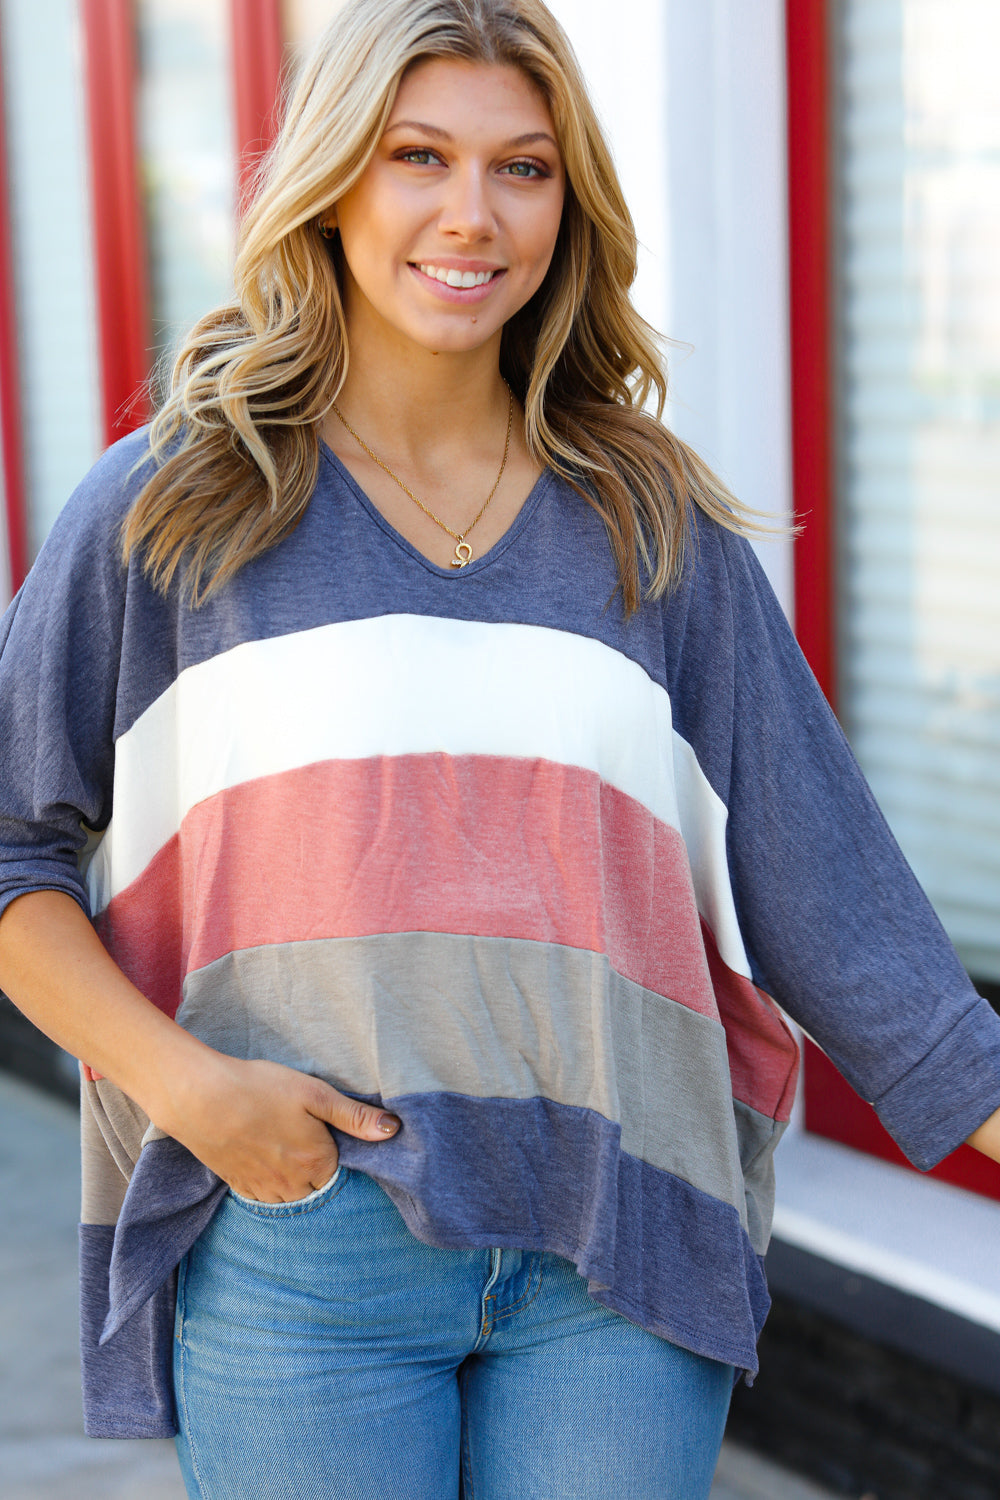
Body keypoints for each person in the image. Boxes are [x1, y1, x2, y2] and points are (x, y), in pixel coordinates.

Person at [1, 0, 999, 1495]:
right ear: (336, 179)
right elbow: (14, 845)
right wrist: (192, 1091)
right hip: (298, 1245)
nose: (473, 215)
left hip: (618, 1248)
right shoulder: (173, 509)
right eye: (419, 156)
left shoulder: (650, 524)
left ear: (568, 204)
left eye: (523, 168)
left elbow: (833, 897)